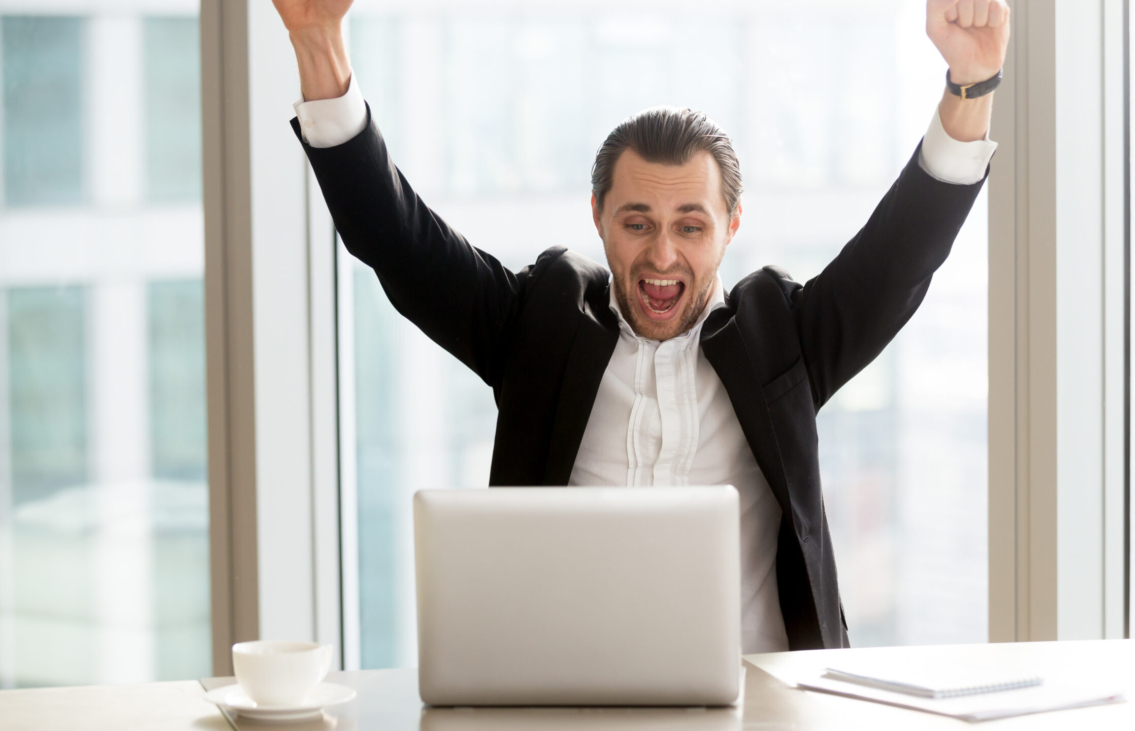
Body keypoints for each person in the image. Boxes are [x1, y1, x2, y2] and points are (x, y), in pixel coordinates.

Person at [271, 0, 1010, 654]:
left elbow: (902, 256)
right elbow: (397, 241)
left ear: (731, 227)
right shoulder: (539, 328)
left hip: (759, 705)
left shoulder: (783, 337)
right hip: (564, 700)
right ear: (598, 218)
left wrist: (970, 85)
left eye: (691, 225)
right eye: (636, 222)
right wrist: (319, 45)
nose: (662, 254)